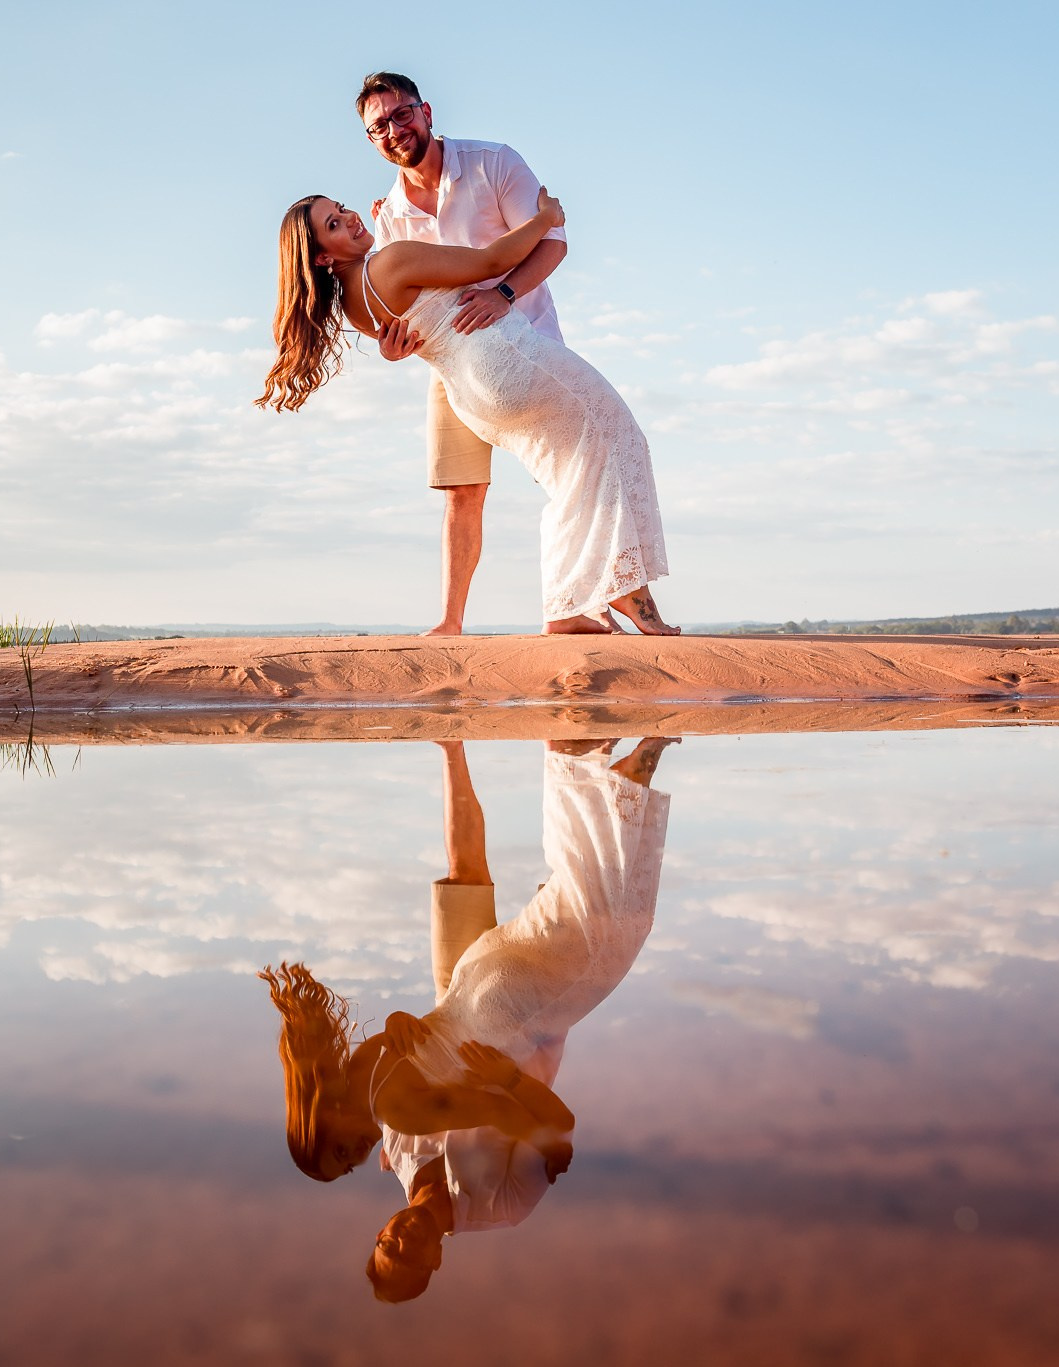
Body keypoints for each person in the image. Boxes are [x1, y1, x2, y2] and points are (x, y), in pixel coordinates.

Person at [256, 733, 678, 1302]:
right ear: (433, 1262)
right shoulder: (490, 1200)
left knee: (610, 926)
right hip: (480, 998)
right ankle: (578, 756)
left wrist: (540, 1131)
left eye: (387, 1246)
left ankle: (605, 765)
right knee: (578, 906)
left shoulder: (397, 1132)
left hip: (492, 1006)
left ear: (380, 1233)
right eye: (410, 1257)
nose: (403, 1241)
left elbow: (527, 1119)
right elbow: (402, 1055)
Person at [258, 189, 679, 635]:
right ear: (323, 259)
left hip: (472, 396)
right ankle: (623, 590)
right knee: (620, 435)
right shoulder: (391, 261)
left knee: (572, 473)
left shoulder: (352, 302)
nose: (350, 218)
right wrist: (546, 219)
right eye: (334, 225)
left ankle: (567, 607)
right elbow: (492, 262)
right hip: (507, 357)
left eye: (341, 209)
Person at [354, 72, 569, 638]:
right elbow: (399, 309)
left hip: (529, 342)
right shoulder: (389, 216)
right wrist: (392, 347)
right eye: (379, 126)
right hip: (453, 367)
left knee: (565, 480)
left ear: (425, 111)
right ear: (371, 140)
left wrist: (502, 294)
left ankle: (576, 610)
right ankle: (450, 622)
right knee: (461, 490)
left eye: (401, 114)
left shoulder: (493, 162)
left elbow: (553, 241)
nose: (394, 130)